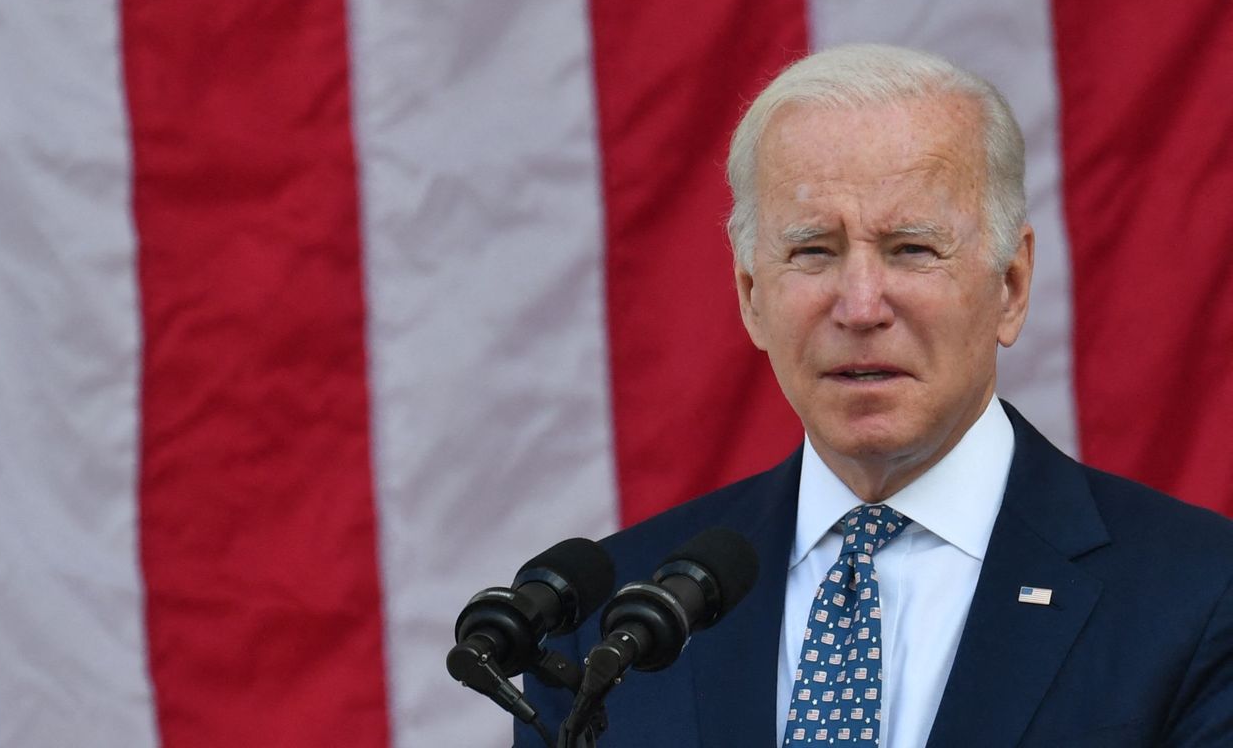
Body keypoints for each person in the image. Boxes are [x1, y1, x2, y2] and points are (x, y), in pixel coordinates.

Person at [518, 44, 1233, 747]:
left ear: (1010, 287)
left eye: (911, 249)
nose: (860, 307)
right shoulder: (605, 625)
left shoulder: (1198, 596)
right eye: (813, 251)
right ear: (752, 297)